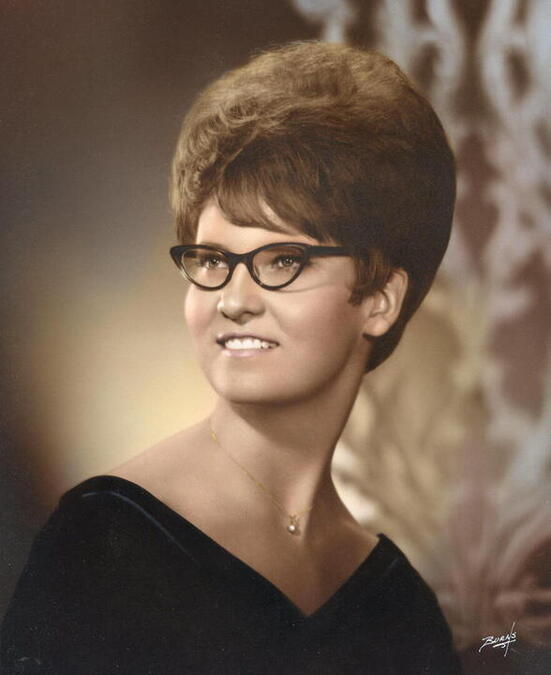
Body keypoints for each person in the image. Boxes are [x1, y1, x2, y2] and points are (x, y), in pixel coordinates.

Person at [1, 41, 461, 674]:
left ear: (380, 299)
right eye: (213, 260)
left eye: (284, 260)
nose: (234, 300)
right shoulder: (105, 541)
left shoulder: (401, 606)